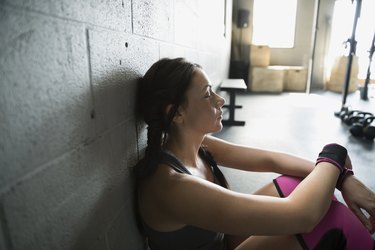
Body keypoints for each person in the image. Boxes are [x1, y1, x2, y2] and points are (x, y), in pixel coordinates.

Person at [133, 57, 375, 250]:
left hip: (222, 242)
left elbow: (272, 160)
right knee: (329, 221)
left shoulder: (198, 146)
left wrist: (344, 178)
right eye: (207, 94)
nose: (220, 100)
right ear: (176, 114)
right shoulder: (171, 186)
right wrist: (336, 154)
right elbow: (303, 216)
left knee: (295, 183)